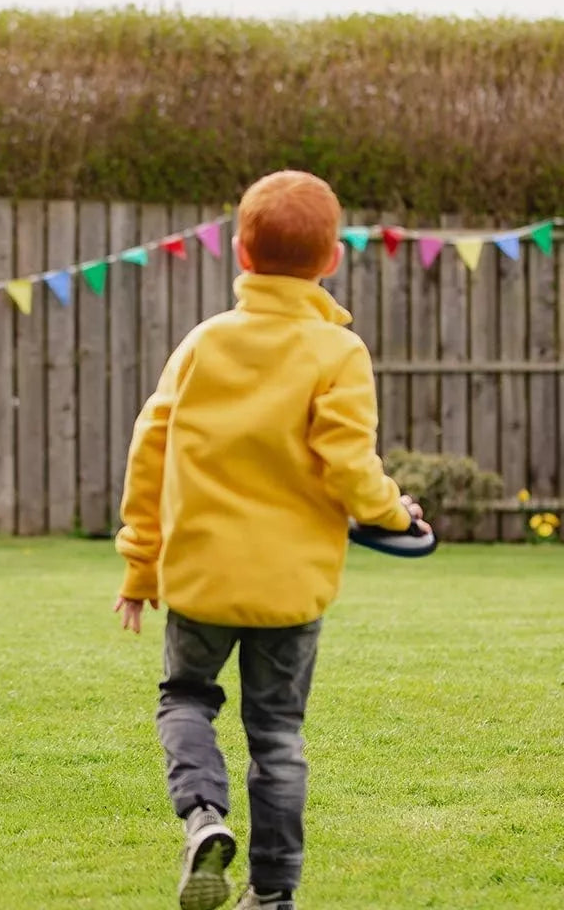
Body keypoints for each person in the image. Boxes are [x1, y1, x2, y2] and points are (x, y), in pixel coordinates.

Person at [113, 170, 430, 910]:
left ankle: (203, 817)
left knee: (186, 698)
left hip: (198, 578)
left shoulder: (203, 343)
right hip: (290, 589)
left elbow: (148, 453)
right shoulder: (337, 353)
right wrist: (396, 515)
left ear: (241, 254)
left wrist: (139, 564)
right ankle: (275, 893)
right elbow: (352, 467)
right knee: (278, 735)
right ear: (330, 261)